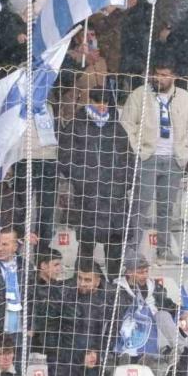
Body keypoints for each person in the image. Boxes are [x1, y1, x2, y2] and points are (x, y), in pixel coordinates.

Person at [120, 57, 188, 263]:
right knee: (141, 205)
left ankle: (164, 249)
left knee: (166, 208)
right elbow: (127, 125)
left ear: (174, 77)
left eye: (164, 75)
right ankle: (131, 249)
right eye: (156, 74)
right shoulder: (139, 94)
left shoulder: (185, 97)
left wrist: (186, 153)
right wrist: (138, 151)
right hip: (147, 157)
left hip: (173, 159)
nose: (159, 78)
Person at [59, 87, 131, 280]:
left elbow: (129, 159)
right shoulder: (76, 126)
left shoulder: (116, 128)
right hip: (88, 197)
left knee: (115, 245)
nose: (101, 106)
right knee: (86, 244)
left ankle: (114, 286)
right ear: (89, 101)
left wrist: (123, 183)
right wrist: (85, 181)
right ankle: (81, 285)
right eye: (97, 101)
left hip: (114, 199)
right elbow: (66, 158)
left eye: (105, 102)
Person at [114, 252, 187, 370]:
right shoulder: (118, 287)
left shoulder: (152, 285)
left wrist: (180, 312)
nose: (144, 276)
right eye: (140, 272)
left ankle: (182, 351)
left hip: (152, 324)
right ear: (129, 272)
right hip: (131, 325)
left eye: (146, 271)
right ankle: (128, 355)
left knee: (163, 315)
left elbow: (166, 302)